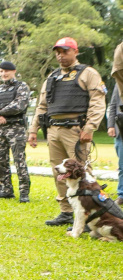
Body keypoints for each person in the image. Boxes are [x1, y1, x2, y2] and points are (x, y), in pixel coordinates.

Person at [28, 37, 106, 227]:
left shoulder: (88, 73)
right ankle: (66, 211)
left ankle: (88, 213)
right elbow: (42, 105)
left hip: (76, 131)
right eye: (58, 52)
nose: (60, 55)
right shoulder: (52, 77)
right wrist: (33, 129)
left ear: (75, 52)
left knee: (82, 172)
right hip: (54, 130)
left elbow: (97, 102)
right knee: (59, 172)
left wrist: (90, 127)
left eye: (65, 51)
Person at [0, 61, 31, 203]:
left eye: (6, 71)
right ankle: (6, 189)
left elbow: (19, 105)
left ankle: (24, 192)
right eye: (1, 72)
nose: (4, 74)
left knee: (19, 161)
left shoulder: (21, 86)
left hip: (16, 128)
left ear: (14, 71)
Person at [106, 83, 123, 205]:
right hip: (120, 130)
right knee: (122, 165)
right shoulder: (119, 81)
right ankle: (122, 195)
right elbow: (113, 105)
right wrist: (111, 125)